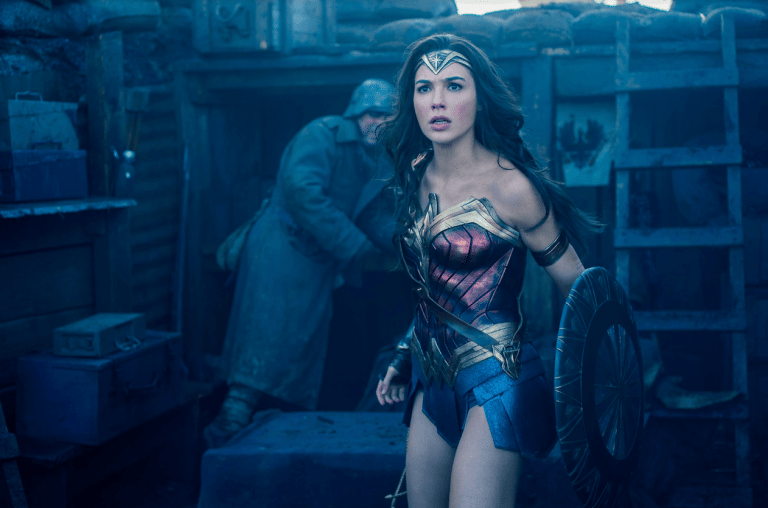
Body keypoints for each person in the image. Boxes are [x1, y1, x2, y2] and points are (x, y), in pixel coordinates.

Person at [375, 34, 603, 508]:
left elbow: (582, 292)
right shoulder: (415, 175)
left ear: (480, 98)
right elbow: (431, 289)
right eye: (424, 88)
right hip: (431, 379)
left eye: (454, 85)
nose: (437, 101)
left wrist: (597, 387)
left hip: (498, 377)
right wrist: (402, 356)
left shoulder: (513, 188)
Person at [205, 79, 396, 448]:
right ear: (355, 114)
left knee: (300, 346)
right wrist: (355, 244)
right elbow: (302, 192)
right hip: (282, 248)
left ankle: (273, 433)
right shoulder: (322, 134)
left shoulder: (376, 158)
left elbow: (376, 211)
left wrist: (404, 239)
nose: (380, 122)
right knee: (265, 335)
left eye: (388, 116)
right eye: (373, 114)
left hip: (320, 258)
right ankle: (226, 429)